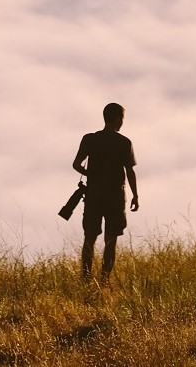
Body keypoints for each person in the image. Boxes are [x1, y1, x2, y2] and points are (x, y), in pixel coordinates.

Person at [72, 102, 139, 284]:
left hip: (94, 195)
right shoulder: (124, 143)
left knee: (90, 238)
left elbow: (76, 164)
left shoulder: (90, 139)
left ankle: (85, 279)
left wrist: (90, 174)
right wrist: (135, 196)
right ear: (118, 119)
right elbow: (130, 171)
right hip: (115, 197)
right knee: (111, 240)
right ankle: (104, 281)